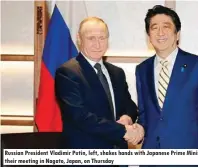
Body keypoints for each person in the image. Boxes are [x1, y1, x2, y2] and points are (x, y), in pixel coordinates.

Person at [135, 5, 198, 149]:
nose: (160, 32)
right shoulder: (142, 69)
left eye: (166, 26)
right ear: (149, 36)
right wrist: (137, 129)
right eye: (154, 27)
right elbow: (145, 116)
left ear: (177, 34)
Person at [55, 17, 144, 149]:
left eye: (102, 38)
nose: (98, 44)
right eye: (91, 38)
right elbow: (80, 117)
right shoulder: (67, 72)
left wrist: (128, 118)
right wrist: (123, 130)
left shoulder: (117, 73)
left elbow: (129, 106)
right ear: (79, 39)